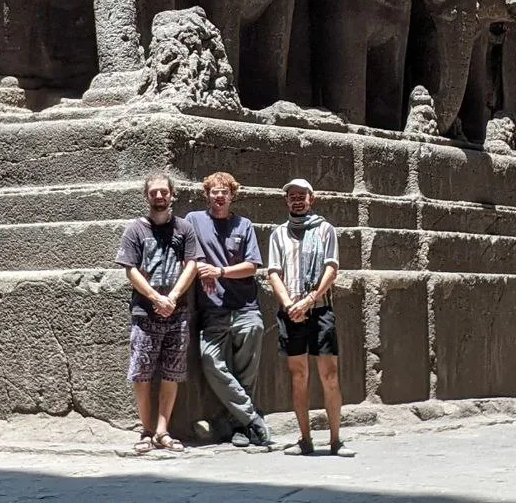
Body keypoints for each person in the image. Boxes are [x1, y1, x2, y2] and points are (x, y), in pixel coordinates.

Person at [267, 178, 355, 457]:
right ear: (286, 201)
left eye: (301, 195)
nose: (296, 199)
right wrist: (290, 304)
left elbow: (332, 268)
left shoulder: (326, 230)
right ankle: (305, 439)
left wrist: (308, 300)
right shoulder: (278, 233)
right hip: (290, 310)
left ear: (311, 198)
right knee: (299, 375)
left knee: (329, 375)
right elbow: (273, 272)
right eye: (292, 195)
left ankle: (336, 440)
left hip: (320, 308)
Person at [185, 172, 273, 448]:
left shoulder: (243, 225)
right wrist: (203, 268)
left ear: (232, 196)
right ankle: (252, 418)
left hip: (245, 307)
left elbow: (252, 266)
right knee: (210, 360)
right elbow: (189, 256)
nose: (219, 196)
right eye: (214, 192)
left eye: (225, 192)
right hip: (214, 309)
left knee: (246, 370)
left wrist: (220, 271)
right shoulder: (193, 221)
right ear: (207, 195)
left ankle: (239, 427)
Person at [116, 173, 202, 454]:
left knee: (171, 373)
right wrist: (155, 298)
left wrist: (173, 297)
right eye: (153, 192)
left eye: (163, 191)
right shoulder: (135, 230)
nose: (159, 196)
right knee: (142, 374)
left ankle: (163, 431)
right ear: (146, 196)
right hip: (145, 312)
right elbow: (130, 269)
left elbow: (192, 264)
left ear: (172, 194)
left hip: (178, 312)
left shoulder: (184, 229)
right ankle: (146, 430)